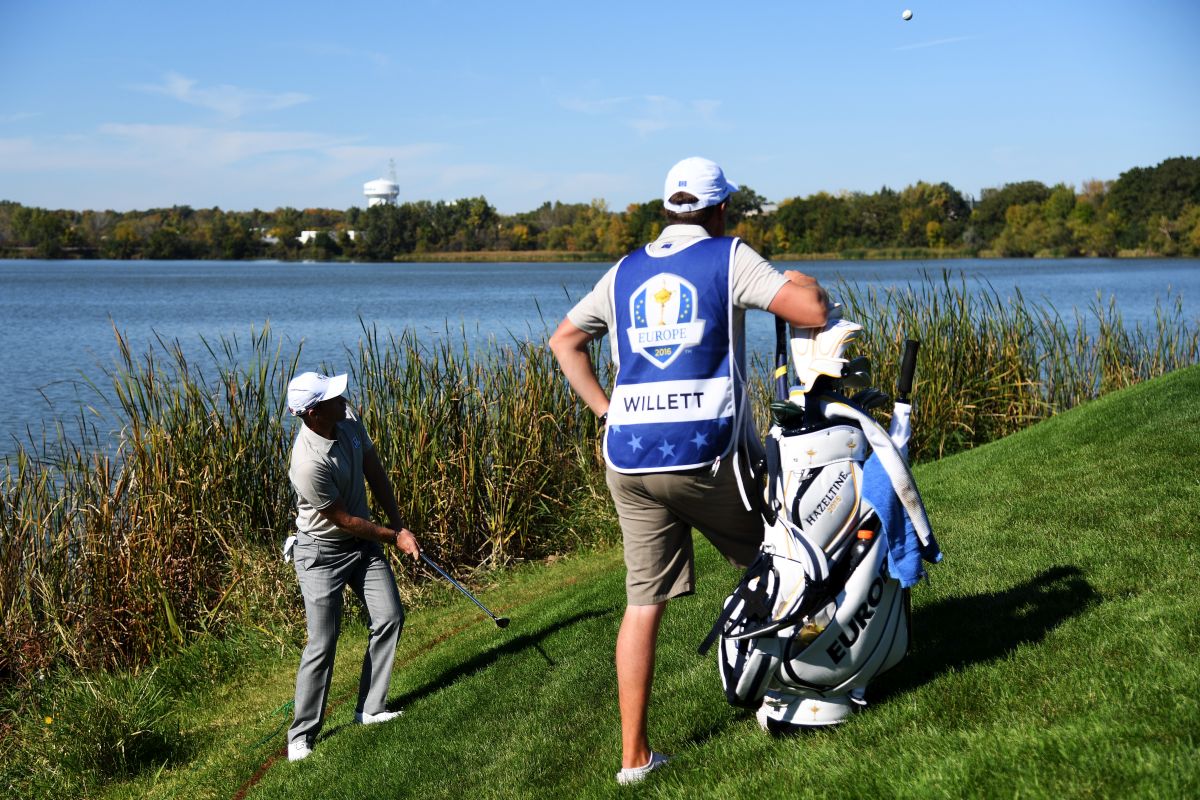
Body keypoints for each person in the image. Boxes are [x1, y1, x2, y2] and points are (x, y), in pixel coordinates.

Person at [548, 157, 829, 784]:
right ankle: (799, 691)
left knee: (643, 602)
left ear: (668, 208)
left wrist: (608, 411)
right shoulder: (728, 257)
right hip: (707, 456)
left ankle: (633, 759)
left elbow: (564, 341)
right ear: (721, 208)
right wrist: (804, 280)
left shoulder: (624, 272)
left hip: (629, 456)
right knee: (783, 562)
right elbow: (807, 310)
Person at [283, 371, 421, 762]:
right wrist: (394, 538)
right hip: (321, 555)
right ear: (313, 413)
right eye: (331, 397)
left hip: (362, 546)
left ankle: (370, 708)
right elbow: (342, 519)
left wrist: (399, 524)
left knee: (390, 616)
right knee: (322, 643)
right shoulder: (307, 463)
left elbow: (374, 470)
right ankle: (301, 735)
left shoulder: (348, 421)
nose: (342, 398)